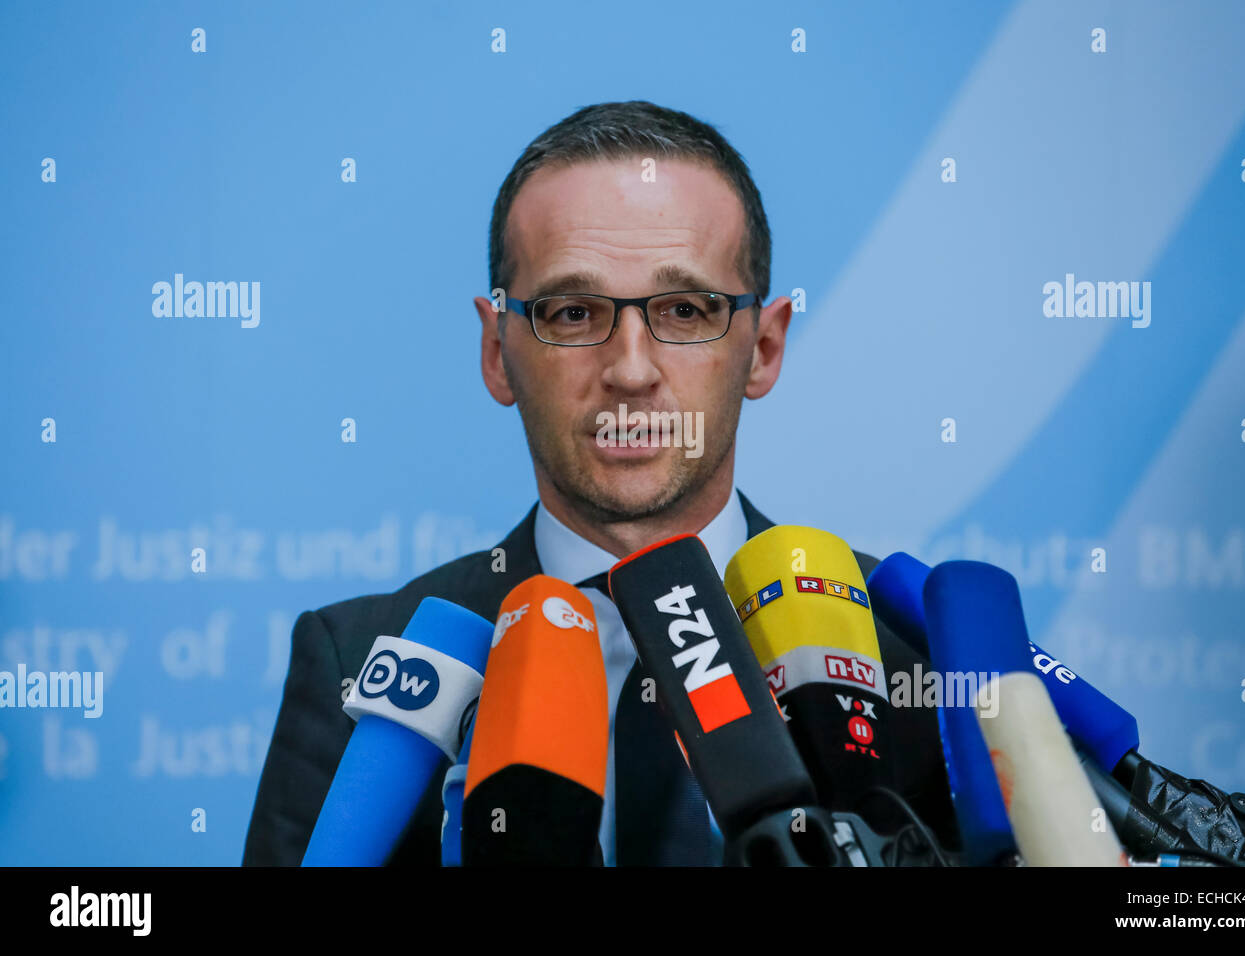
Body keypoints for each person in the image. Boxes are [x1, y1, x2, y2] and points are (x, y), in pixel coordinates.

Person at [243, 100, 954, 866]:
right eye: (574, 312)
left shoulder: (917, 657)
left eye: (686, 310)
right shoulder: (360, 657)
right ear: (496, 351)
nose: (631, 371)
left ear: (765, 348)